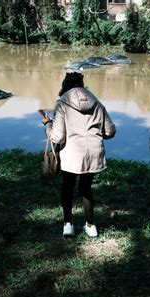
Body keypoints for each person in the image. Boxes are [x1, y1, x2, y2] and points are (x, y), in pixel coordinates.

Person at [42, 72, 116, 237]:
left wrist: (47, 125)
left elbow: (58, 136)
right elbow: (110, 131)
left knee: (67, 188)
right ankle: (91, 226)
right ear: (82, 85)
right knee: (86, 189)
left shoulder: (62, 103)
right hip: (94, 153)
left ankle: (68, 225)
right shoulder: (96, 102)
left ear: (65, 86)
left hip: (72, 154)